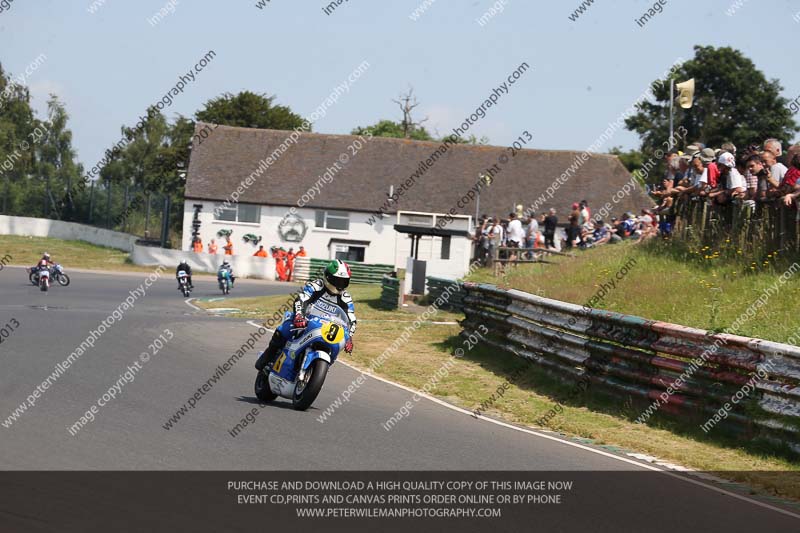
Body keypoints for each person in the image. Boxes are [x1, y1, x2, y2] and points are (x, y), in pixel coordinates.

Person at [255, 259, 357, 372]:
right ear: (328, 277)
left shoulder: (345, 298)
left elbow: (351, 320)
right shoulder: (317, 285)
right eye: (337, 280)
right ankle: (268, 357)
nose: (340, 285)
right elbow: (301, 299)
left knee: (336, 346)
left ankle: (318, 368)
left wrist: (349, 337)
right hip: (305, 321)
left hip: (327, 329)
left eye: (344, 281)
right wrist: (299, 316)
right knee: (285, 329)